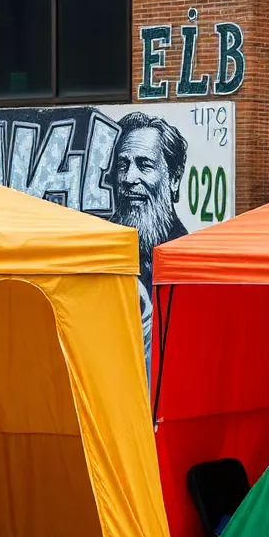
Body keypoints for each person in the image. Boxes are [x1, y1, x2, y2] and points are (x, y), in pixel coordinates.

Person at [110, 112, 189, 367]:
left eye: (144, 165)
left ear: (174, 179)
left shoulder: (188, 261)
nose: (129, 178)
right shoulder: (105, 254)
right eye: (123, 165)